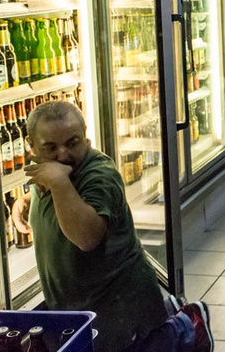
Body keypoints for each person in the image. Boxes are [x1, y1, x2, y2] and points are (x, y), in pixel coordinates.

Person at [11, 101, 213, 352]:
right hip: (83, 307)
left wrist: (59, 182)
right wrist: (28, 199)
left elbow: (86, 237)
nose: (63, 154)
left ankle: (189, 326)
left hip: (121, 311)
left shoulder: (98, 174)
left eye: (73, 143)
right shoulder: (51, 173)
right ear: (32, 147)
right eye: (50, 147)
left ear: (86, 138)